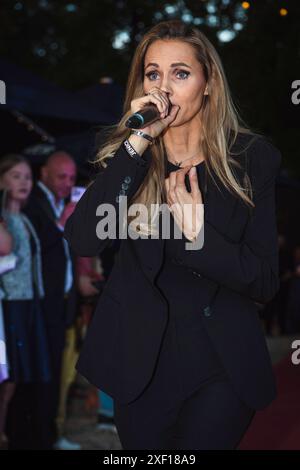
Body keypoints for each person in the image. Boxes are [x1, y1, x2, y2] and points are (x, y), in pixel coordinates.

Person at [63, 19, 282, 450]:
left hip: (220, 363)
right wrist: (137, 143)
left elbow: (264, 280)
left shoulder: (252, 160)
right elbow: (85, 238)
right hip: (140, 364)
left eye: (180, 73)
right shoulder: (128, 156)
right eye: (153, 73)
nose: (164, 86)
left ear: (207, 83)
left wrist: (199, 237)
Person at [23, 151, 80, 450]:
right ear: (44, 173)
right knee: (41, 379)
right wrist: (60, 224)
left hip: (61, 304)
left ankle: (50, 435)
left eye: (72, 178)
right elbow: (30, 251)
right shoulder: (31, 202)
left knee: (55, 377)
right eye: (62, 176)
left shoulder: (62, 204)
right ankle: (40, 439)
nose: (67, 183)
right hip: (40, 307)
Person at [0, 154, 51, 449]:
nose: (24, 182)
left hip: (29, 303)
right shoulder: (4, 218)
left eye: (27, 177)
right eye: (16, 176)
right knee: (6, 378)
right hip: (8, 306)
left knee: (14, 382)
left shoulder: (25, 218)